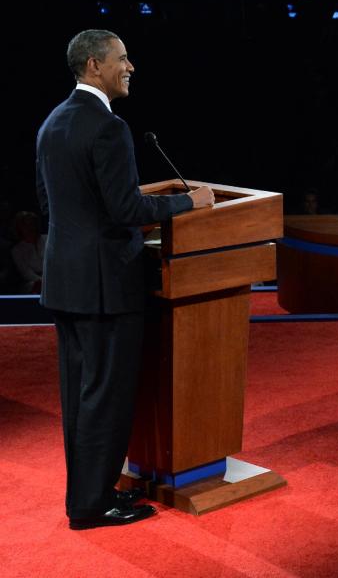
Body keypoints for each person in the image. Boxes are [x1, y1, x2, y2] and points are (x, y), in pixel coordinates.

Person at [36, 29, 215, 530]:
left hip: (66, 281)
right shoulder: (107, 127)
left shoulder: (53, 122)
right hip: (106, 287)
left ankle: (84, 498)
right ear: (95, 65)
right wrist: (188, 202)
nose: (130, 66)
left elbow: (49, 204)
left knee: (80, 397)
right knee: (106, 398)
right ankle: (93, 505)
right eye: (123, 58)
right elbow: (126, 209)